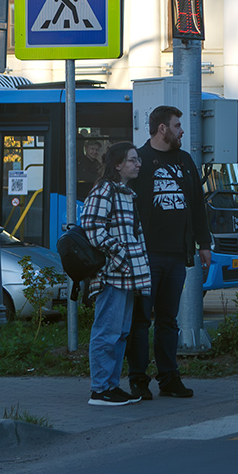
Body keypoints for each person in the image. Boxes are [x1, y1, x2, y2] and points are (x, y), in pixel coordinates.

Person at [126, 105, 211, 400]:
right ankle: (138, 379)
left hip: (177, 255)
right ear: (162, 129)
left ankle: (168, 378)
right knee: (140, 320)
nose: (182, 131)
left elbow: (198, 205)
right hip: (145, 255)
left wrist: (204, 244)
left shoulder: (185, 161)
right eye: (177, 126)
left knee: (168, 321)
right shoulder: (139, 160)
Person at [81, 142, 151, 407]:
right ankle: (100, 390)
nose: (138, 164)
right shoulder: (104, 190)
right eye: (133, 160)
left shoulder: (125, 193)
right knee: (107, 332)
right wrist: (121, 256)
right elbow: (91, 227)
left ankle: (111, 386)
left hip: (127, 275)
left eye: (138, 160)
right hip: (113, 274)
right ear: (118, 164)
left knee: (120, 333)